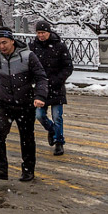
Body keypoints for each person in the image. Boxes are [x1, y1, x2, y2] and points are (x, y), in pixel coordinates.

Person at [0, 27, 48, 182]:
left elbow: (41, 77)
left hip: (25, 104)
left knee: (26, 138)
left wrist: (40, 96)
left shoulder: (28, 56)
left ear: (12, 41)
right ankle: (1, 169)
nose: (1, 46)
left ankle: (28, 171)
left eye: (4, 42)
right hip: (5, 105)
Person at [29, 22, 74, 156]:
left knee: (57, 116)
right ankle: (52, 131)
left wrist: (57, 80)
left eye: (43, 33)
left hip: (56, 88)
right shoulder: (32, 47)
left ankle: (59, 142)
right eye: (38, 33)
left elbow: (68, 67)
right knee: (39, 115)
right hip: (40, 89)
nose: (41, 35)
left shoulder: (59, 46)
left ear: (49, 32)